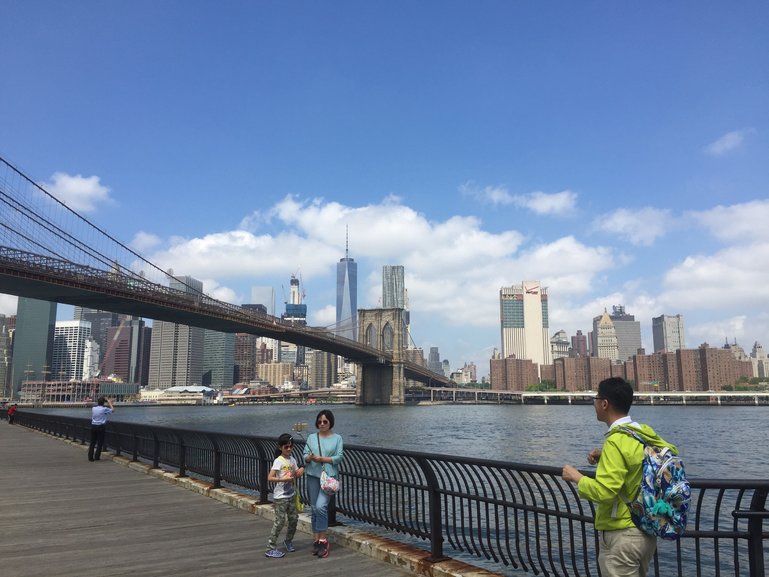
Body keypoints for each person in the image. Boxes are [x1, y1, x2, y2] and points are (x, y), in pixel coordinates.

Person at [562, 377, 679, 577]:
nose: (594, 404)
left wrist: (576, 477)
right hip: (646, 532)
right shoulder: (642, 432)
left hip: (622, 534)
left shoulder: (616, 441)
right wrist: (604, 458)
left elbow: (605, 492)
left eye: (596, 398)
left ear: (604, 403)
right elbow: (660, 457)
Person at [303, 409, 344, 559]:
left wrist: (322, 459)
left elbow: (339, 457)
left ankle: (323, 539)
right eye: (319, 421)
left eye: (325, 421)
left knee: (321, 506)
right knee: (314, 508)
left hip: (329, 478)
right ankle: (316, 540)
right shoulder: (311, 438)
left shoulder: (337, 438)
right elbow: (304, 455)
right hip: (313, 475)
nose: (322, 424)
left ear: (330, 422)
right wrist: (309, 458)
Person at [265, 433, 305, 559]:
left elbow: (295, 473)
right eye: (286, 447)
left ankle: (288, 540)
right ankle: (270, 547)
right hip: (280, 497)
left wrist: (299, 472)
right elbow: (270, 477)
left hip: (291, 495)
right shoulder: (278, 461)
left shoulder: (292, 460)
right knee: (280, 521)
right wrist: (282, 479)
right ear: (280, 447)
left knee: (294, 519)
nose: (289, 449)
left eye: (291, 446)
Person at [88, 396, 114, 461]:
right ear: (103, 403)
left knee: (92, 442)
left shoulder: (93, 408)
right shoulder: (104, 409)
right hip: (101, 427)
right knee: (100, 442)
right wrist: (110, 403)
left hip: (93, 426)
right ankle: (97, 457)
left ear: (98, 402)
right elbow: (113, 410)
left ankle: (90, 457)